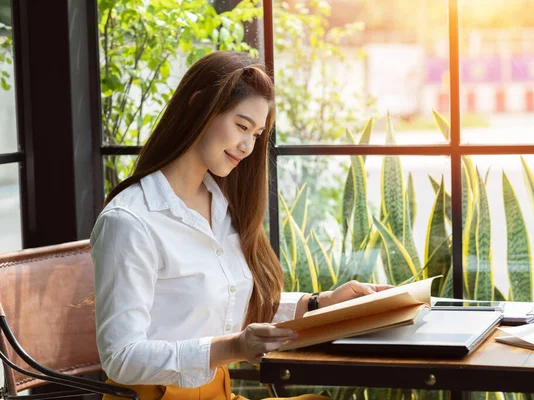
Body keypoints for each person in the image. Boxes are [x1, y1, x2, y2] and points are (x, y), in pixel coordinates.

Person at [91, 50, 392, 400]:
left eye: (257, 134)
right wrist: (232, 347)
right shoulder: (130, 221)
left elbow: (236, 303)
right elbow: (120, 358)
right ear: (199, 105)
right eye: (241, 126)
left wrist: (320, 303)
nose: (248, 146)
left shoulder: (222, 207)